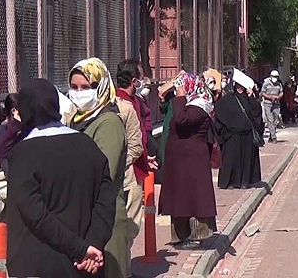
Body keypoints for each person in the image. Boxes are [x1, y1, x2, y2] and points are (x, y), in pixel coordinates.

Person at [6, 78, 115, 278]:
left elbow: (35, 214)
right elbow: (106, 201)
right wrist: (93, 244)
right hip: (86, 265)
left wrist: (79, 249)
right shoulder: (88, 145)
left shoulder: (23, 155)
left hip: (39, 264)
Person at [68, 58, 129, 278]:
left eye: (87, 87)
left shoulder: (108, 122)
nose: (79, 92)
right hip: (83, 218)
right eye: (74, 87)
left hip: (106, 221)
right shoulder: (75, 120)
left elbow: (104, 172)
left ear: (101, 87)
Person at [158, 72, 217, 250]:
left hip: (192, 160)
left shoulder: (200, 106)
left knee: (193, 198)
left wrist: (181, 97)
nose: (178, 91)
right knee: (179, 198)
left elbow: (182, 120)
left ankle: (197, 234)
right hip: (180, 160)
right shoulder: (189, 104)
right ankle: (180, 234)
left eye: (182, 86)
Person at [114, 59, 152, 272]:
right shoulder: (125, 105)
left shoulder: (130, 101)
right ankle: (123, 269)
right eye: (142, 77)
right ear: (134, 80)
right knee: (130, 224)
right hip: (129, 172)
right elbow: (134, 144)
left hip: (134, 167)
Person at [215, 73, 263, 189]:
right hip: (232, 136)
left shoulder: (249, 99)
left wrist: (252, 97)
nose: (240, 89)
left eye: (242, 87)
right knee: (231, 160)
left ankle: (244, 182)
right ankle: (230, 182)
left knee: (246, 161)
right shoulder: (227, 99)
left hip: (247, 136)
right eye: (238, 86)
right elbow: (219, 112)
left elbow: (256, 113)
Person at [0, 93, 21, 178]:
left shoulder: (23, 125)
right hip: (10, 165)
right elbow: (1, 151)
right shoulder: (4, 127)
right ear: (14, 111)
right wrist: (15, 125)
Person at [260, 70, 284, 143]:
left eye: (276, 77)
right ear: (270, 76)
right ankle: (274, 137)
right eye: (274, 77)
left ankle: (271, 135)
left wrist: (277, 97)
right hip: (268, 104)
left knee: (275, 121)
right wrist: (270, 97)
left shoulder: (279, 85)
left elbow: (281, 93)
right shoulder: (266, 84)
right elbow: (262, 93)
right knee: (270, 120)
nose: (275, 78)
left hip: (276, 104)